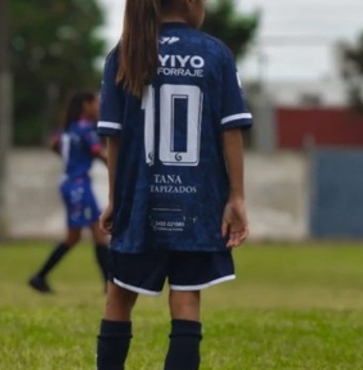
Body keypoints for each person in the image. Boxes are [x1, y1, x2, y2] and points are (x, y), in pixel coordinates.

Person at [94, 0, 252, 369]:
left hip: (140, 203)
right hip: (197, 203)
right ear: (191, 3)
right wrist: (237, 197)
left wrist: (116, 199)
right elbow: (232, 131)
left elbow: (113, 139)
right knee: (186, 300)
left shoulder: (125, 54)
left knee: (118, 296)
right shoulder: (216, 54)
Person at [29, 91, 110, 294]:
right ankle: (109, 284)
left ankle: (40, 277)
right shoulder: (86, 129)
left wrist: (71, 159)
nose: (98, 107)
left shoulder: (67, 129)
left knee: (75, 237)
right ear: (85, 105)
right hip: (79, 185)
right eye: (95, 103)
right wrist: (119, 168)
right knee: (97, 233)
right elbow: (98, 153)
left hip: (70, 183)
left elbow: (54, 144)